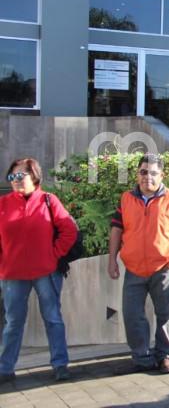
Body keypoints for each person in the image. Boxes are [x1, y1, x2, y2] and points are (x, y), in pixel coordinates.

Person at [108, 154, 169, 374]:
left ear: (161, 175)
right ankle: (142, 357)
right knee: (132, 314)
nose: (148, 177)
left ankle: (165, 356)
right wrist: (112, 260)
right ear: (137, 174)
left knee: (165, 313)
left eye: (153, 173)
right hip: (133, 269)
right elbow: (116, 229)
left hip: (163, 267)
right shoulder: (126, 198)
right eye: (143, 172)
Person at [0, 158, 78, 383]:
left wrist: (53, 254)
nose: (15, 181)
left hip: (46, 272)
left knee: (53, 318)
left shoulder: (48, 200)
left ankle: (60, 364)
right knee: (13, 322)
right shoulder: (3, 204)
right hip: (13, 274)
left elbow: (69, 230)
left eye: (20, 175)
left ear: (34, 176)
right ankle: (5, 368)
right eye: (11, 177)